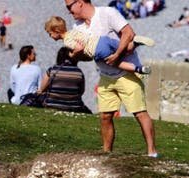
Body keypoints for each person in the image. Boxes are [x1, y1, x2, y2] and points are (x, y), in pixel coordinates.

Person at [64, 0, 158, 157]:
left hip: (126, 74)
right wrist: (79, 55)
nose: (68, 11)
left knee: (140, 113)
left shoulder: (107, 13)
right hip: (106, 75)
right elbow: (89, 56)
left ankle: (152, 152)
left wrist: (116, 56)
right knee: (105, 116)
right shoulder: (77, 28)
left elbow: (128, 33)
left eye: (69, 7)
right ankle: (107, 153)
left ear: (80, 2)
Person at [44, 16, 153, 74]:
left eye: (50, 34)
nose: (50, 36)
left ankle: (139, 69)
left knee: (115, 62)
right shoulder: (73, 31)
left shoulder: (67, 41)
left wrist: (73, 54)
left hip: (97, 50)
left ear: (57, 31)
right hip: (102, 40)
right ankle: (135, 42)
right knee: (124, 48)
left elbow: (79, 48)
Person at [37, 47, 91, 114]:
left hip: (52, 105)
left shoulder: (52, 70)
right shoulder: (79, 72)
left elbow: (42, 89)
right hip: (74, 107)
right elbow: (81, 91)